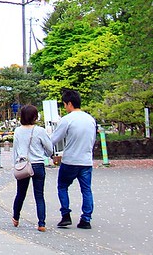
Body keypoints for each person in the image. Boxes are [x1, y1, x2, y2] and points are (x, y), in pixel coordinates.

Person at [50, 89, 97, 230]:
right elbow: (92, 140)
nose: (65, 107)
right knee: (86, 189)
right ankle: (86, 218)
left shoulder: (67, 120)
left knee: (62, 186)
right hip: (86, 160)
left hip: (70, 160)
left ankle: (66, 215)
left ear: (69, 103)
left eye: (64, 104)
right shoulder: (90, 119)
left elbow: (53, 139)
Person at [11, 104, 54, 231]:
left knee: (20, 193)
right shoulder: (40, 131)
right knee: (39, 195)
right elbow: (49, 148)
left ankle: (16, 218)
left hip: (23, 164)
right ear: (35, 116)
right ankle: (41, 223)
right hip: (38, 165)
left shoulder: (18, 131)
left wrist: (15, 165)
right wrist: (47, 155)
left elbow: (15, 150)